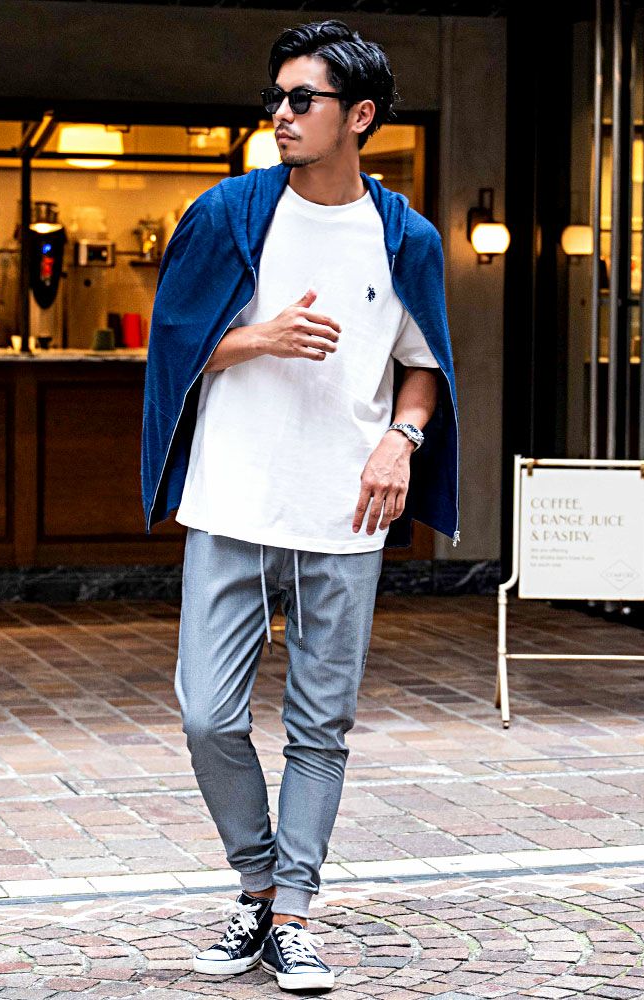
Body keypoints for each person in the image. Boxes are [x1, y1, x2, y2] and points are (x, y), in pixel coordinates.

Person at [141, 18, 460, 993]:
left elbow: (423, 365)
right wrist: (259, 337)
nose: (280, 114)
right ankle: (255, 880)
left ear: (358, 116)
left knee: (322, 727)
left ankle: (289, 914)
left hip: (346, 516)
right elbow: (171, 345)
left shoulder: (405, 237)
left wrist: (402, 439)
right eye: (275, 98)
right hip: (232, 503)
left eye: (301, 99)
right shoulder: (228, 215)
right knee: (207, 714)